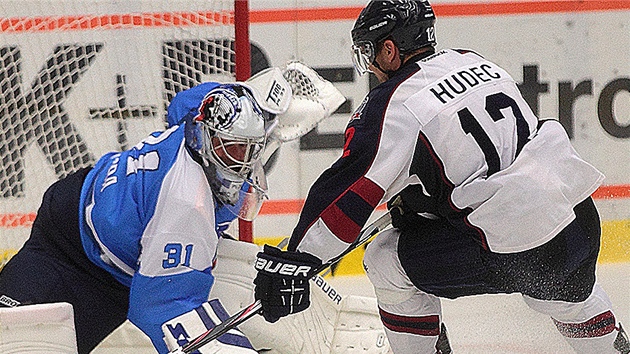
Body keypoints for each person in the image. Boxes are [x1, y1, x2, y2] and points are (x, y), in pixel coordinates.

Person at [252, 1, 630, 353]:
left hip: (518, 245)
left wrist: (294, 260)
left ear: (389, 50)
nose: (370, 66)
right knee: (570, 297)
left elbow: (347, 192)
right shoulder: (474, 62)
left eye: (370, 52)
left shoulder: (393, 102)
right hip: (577, 219)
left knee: (385, 259)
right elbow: (489, 161)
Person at [0, 82, 271, 353]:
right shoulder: (185, 205)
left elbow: (184, 102)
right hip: (67, 250)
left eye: (249, 150)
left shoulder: (197, 117)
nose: (242, 162)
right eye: (232, 149)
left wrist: (272, 100)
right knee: (14, 339)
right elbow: (160, 312)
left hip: (110, 255)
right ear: (205, 135)